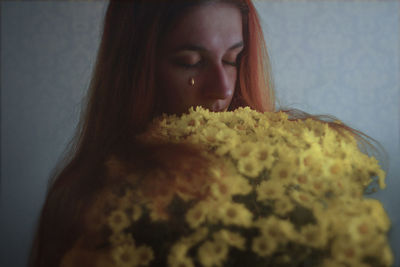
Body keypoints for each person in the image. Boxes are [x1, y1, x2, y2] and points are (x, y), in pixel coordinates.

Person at [29, 0, 384, 266]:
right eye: (190, 62)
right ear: (135, 70)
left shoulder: (286, 167)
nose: (221, 88)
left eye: (233, 59)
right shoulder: (86, 202)